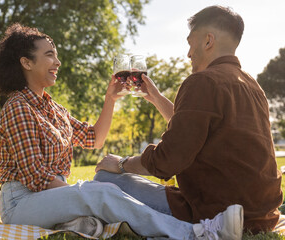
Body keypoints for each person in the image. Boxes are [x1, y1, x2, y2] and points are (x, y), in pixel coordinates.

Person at [0, 22, 244, 240]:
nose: (57, 62)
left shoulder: (52, 108)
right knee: (98, 192)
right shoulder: (18, 108)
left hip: (48, 194)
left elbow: (94, 139)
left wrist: (110, 99)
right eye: (49, 55)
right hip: (21, 203)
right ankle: (195, 234)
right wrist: (83, 193)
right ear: (26, 62)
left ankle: (75, 224)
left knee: (101, 186)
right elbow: (36, 178)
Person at [95, 5, 283, 239]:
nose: (188, 53)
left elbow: (168, 160)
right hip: (261, 214)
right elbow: (193, 131)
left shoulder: (202, 81)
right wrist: (156, 98)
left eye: (190, 43)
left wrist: (122, 163)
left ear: (208, 41)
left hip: (217, 211)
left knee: (104, 179)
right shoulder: (252, 85)